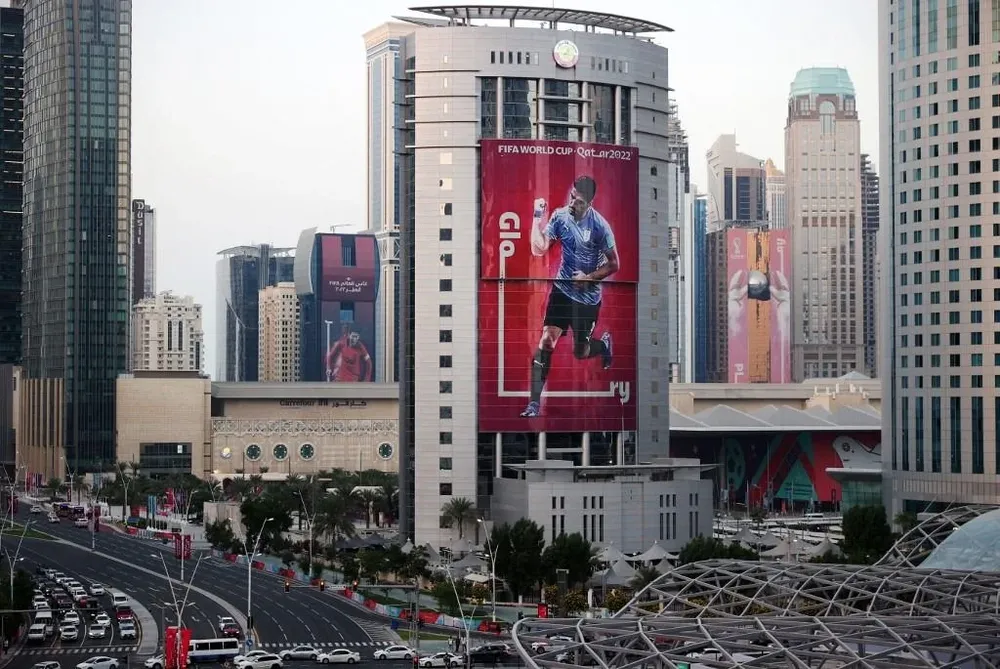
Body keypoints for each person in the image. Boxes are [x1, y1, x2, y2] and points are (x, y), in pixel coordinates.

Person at [520, 175, 620, 418]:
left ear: (590, 204)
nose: (573, 203)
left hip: (587, 298)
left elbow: (614, 264)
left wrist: (588, 277)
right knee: (546, 340)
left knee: (581, 351)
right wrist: (536, 217)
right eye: (572, 196)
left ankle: (603, 344)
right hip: (563, 290)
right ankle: (534, 404)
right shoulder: (560, 216)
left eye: (579, 201)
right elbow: (539, 248)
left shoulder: (600, 227)